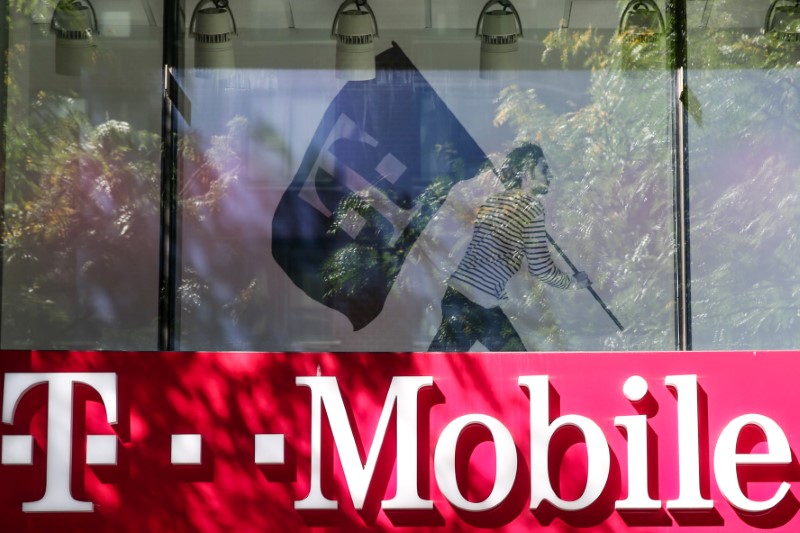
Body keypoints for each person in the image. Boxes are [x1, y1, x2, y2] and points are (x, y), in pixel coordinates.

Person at [429, 143, 590, 351]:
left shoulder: (495, 201)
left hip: (466, 297)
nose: (549, 175)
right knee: (518, 366)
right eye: (543, 168)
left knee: (438, 362)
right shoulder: (531, 207)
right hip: (475, 302)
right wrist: (572, 283)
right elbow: (540, 267)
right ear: (526, 172)